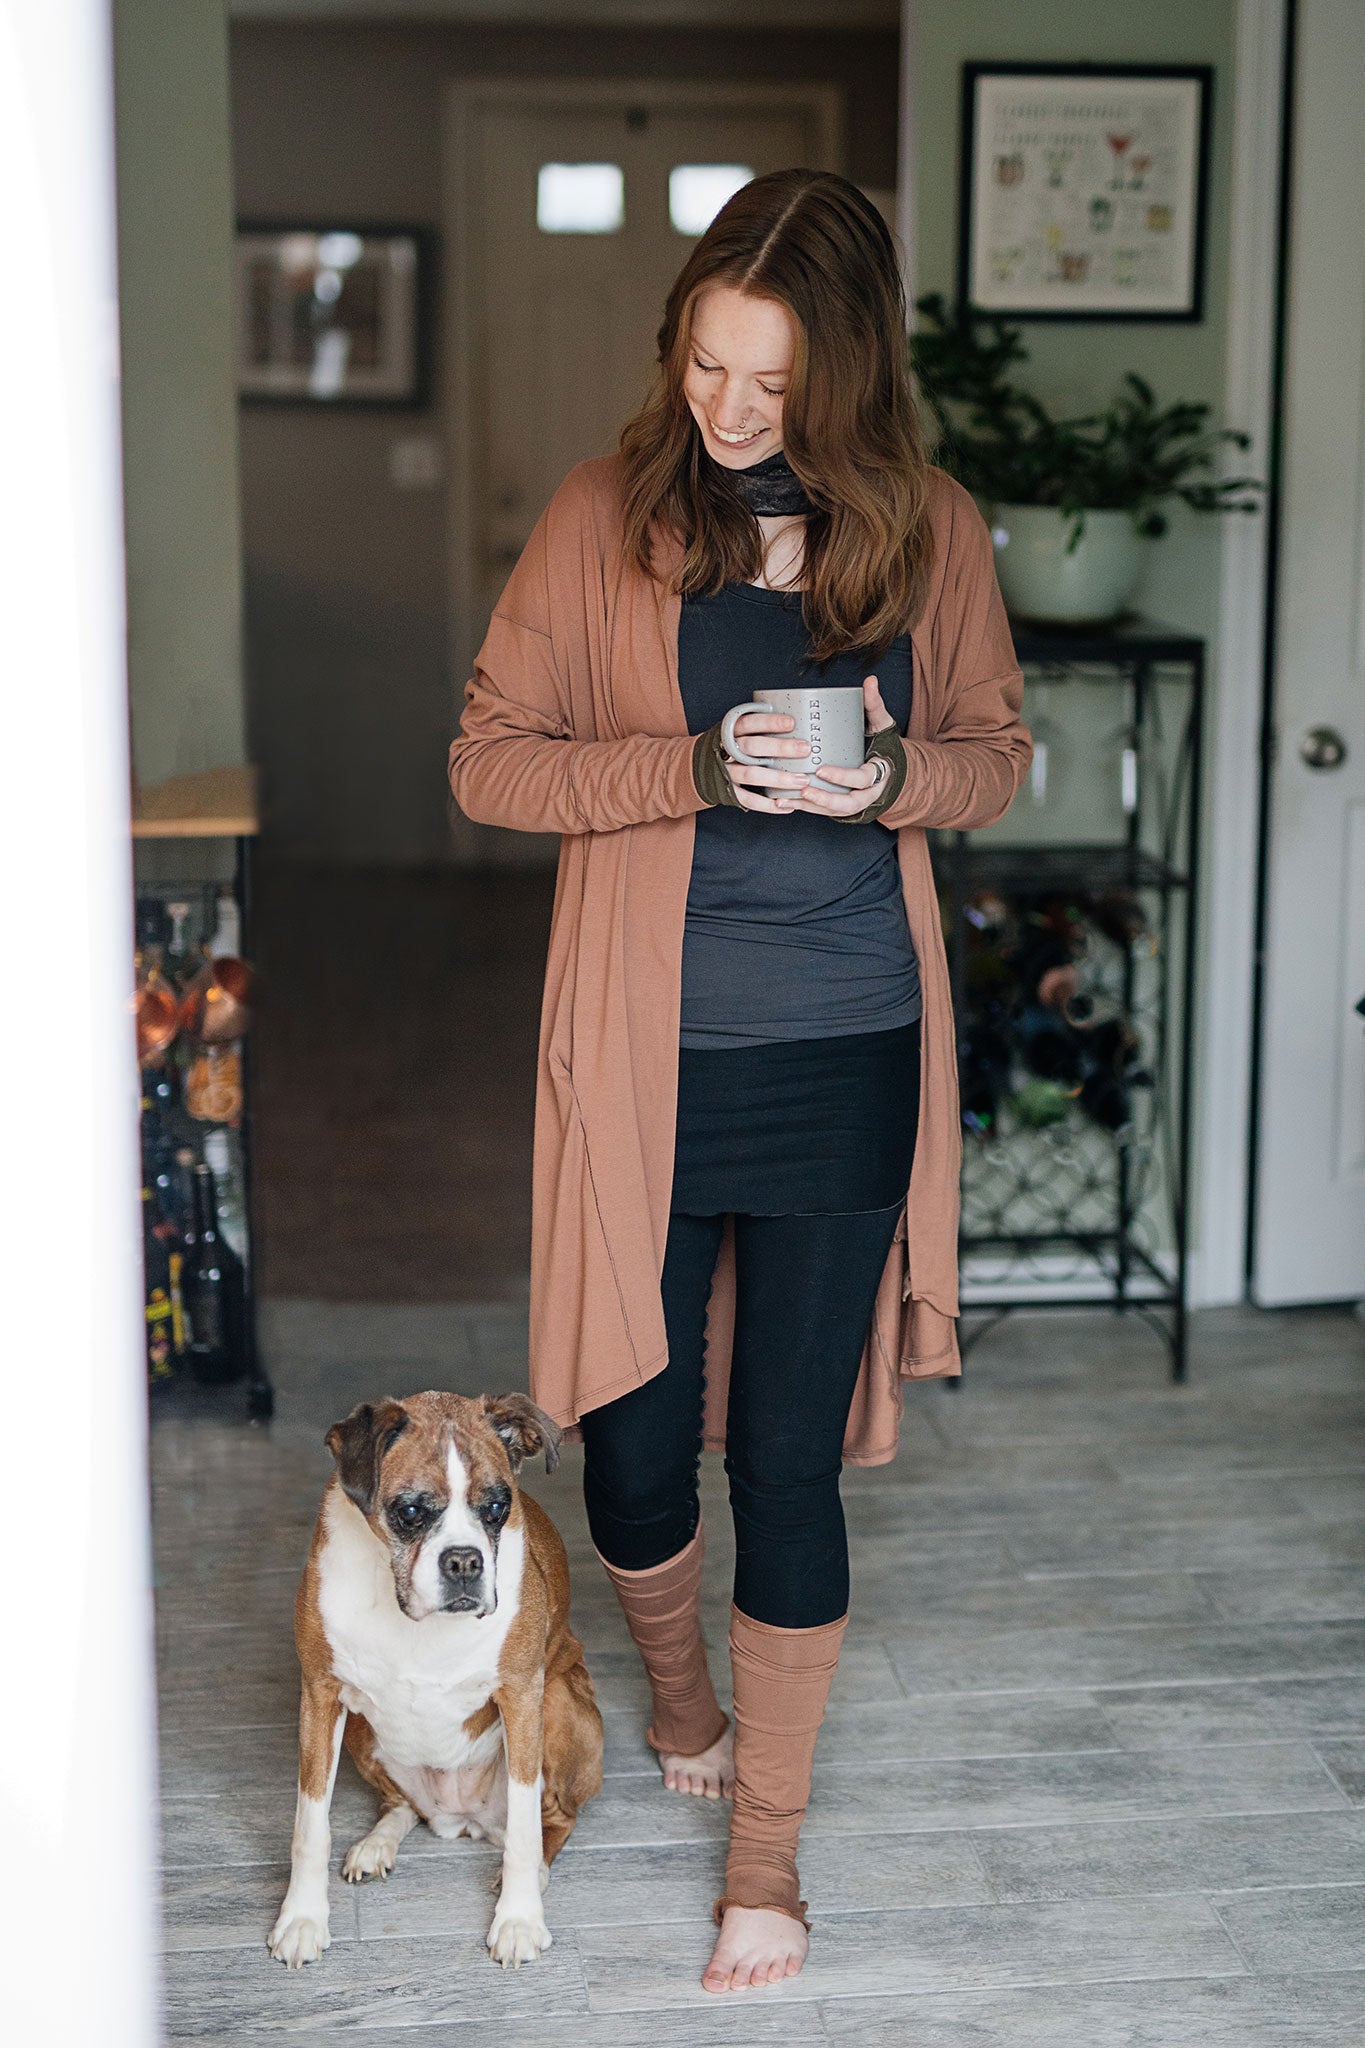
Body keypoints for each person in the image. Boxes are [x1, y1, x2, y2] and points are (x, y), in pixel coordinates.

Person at [447, 167, 1030, 1995]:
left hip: (848, 1049)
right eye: (707, 365)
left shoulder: (928, 529)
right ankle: (681, 1692)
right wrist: (688, 766)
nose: (729, 410)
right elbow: (491, 766)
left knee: (781, 1463)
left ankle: (762, 1857)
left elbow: (994, 756)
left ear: (843, 380)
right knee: (633, 1462)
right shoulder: (603, 518)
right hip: (646, 1062)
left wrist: (890, 787)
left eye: (771, 383)